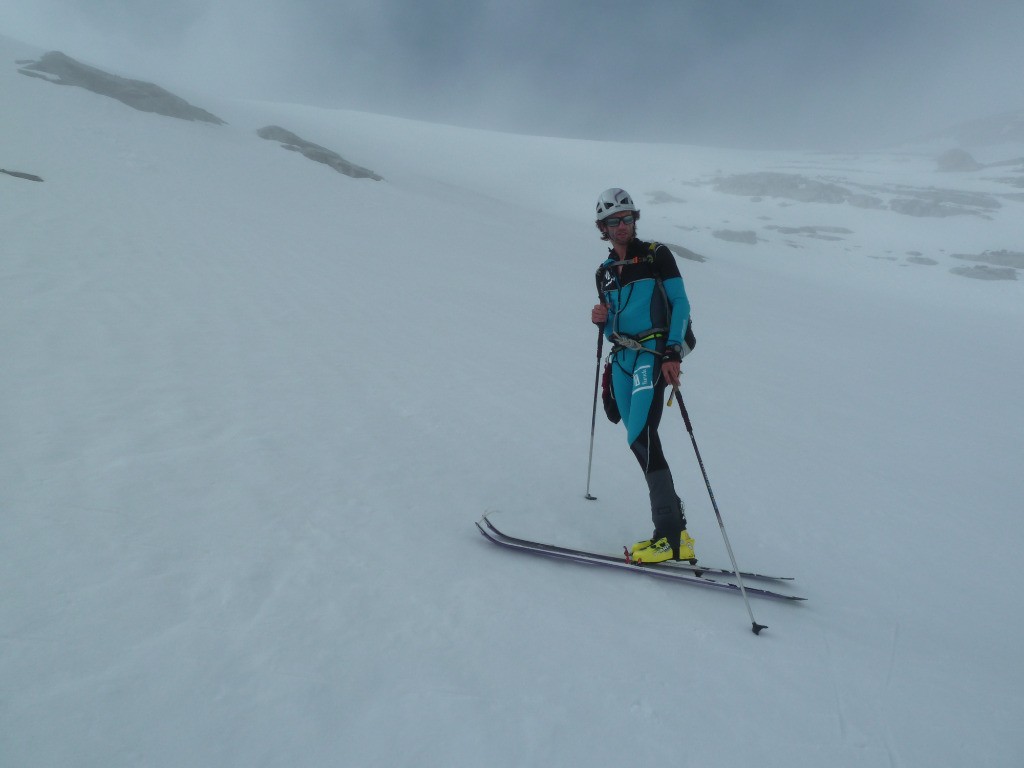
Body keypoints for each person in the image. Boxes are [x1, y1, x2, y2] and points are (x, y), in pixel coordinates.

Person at [589, 188, 696, 564]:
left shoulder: (656, 255)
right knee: (633, 435)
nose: (622, 226)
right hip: (622, 357)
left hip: (654, 353)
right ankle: (674, 532)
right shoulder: (604, 273)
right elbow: (611, 324)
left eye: (628, 218)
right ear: (603, 227)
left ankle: (668, 536)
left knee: (642, 435)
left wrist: (672, 353)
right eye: (614, 221)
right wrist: (602, 321)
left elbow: (680, 303)